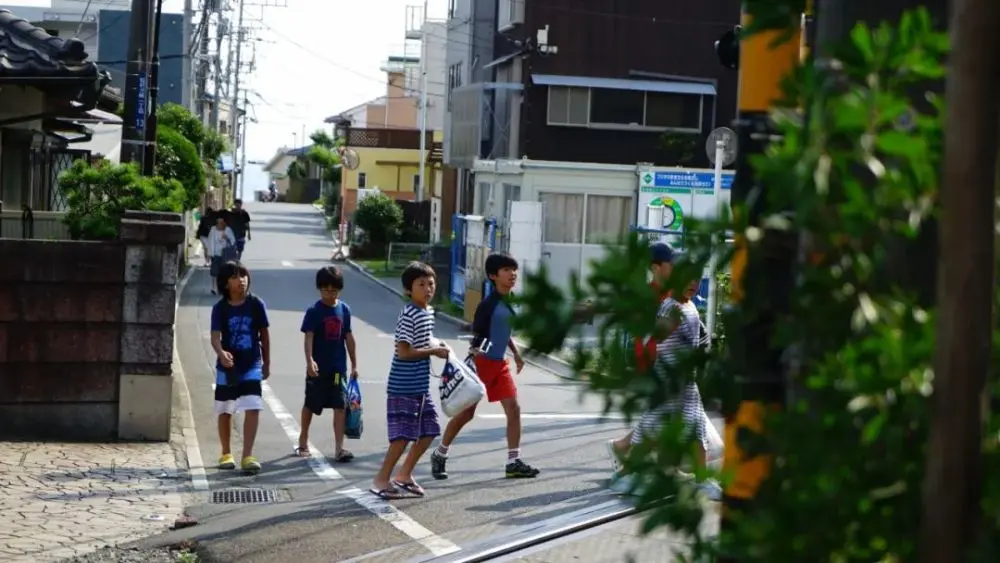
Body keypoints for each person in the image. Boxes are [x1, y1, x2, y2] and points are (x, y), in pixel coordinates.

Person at [610, 258, 723, 500]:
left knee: (696, 428)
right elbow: (654, 341)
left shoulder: (690, 306)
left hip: (685, 383)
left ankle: (702, 480)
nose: (693, 283)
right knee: (651, 431)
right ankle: (626, 474)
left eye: (696, 277)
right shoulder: (672, 309)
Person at [430, 252, 541, 480]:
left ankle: (513, 461)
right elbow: (479, 333)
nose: (512, 274)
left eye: (514, 270)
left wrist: (517, 355)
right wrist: (478, 353)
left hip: (499, 364)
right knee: (466, 414)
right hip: (481, 364)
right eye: (506, 270)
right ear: (493, 275)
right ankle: (440, 454)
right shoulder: (488, 304)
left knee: (514, 408)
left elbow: (503, 331)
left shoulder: (508, 301)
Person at [371, 262, 450, 500]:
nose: (428, 289)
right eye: (421, 285)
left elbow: (424, 340)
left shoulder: (428, 312)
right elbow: (403, 352)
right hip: (403, 385)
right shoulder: (409, 314)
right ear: (408, 290)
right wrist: (432, 352)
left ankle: (404, 475)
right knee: (402, 437)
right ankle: (381, 480)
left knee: (430, 430)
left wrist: (437, 345)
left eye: (431, 284)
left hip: (420, 386)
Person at [606, 242, 676, 468]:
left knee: (661, 418)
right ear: (656, 267)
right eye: (670, 264)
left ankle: (625, 449)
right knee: (662, 418)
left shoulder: (671, 293)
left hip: (667, 363)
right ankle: (628, 454)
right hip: (653, 364)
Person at [210, 261, 271, 475]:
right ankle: (226, 452)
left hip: (252, 363)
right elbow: (215, 336)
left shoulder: (256, 304)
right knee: (225, 410)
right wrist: (221, 353)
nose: (242, 280)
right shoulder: (220, 308)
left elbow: (264, 334)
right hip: (227, 368)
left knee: (253, 406)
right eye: (236, 277)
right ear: (226, 283)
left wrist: (267, 362)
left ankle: (247, 455)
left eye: (244, 276)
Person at [298, 265, 358, 462]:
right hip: (318, 369)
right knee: (311, 404)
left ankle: (339, 448)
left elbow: (348, 337)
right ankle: (303, 438)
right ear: (319, 288)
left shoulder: (344, 310)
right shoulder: (314, 311)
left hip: (338, 369)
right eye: (325, 289)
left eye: (334, 290)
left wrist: (354, 365)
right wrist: (310, 361)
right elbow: (308, 337)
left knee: (340, 406)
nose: (330, 294)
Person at [207, 215, 237, 295]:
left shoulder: (228, 230)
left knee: (224, 272)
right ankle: (214, 288)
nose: (220, 224)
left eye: (222, 222)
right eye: (218, 223)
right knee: (214, 272)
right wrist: (209, 254)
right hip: (215, 254)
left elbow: (233, 241)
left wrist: (227, 237)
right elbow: (210, 242)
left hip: (225, 255)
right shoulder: (213, 230)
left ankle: (223, 288)